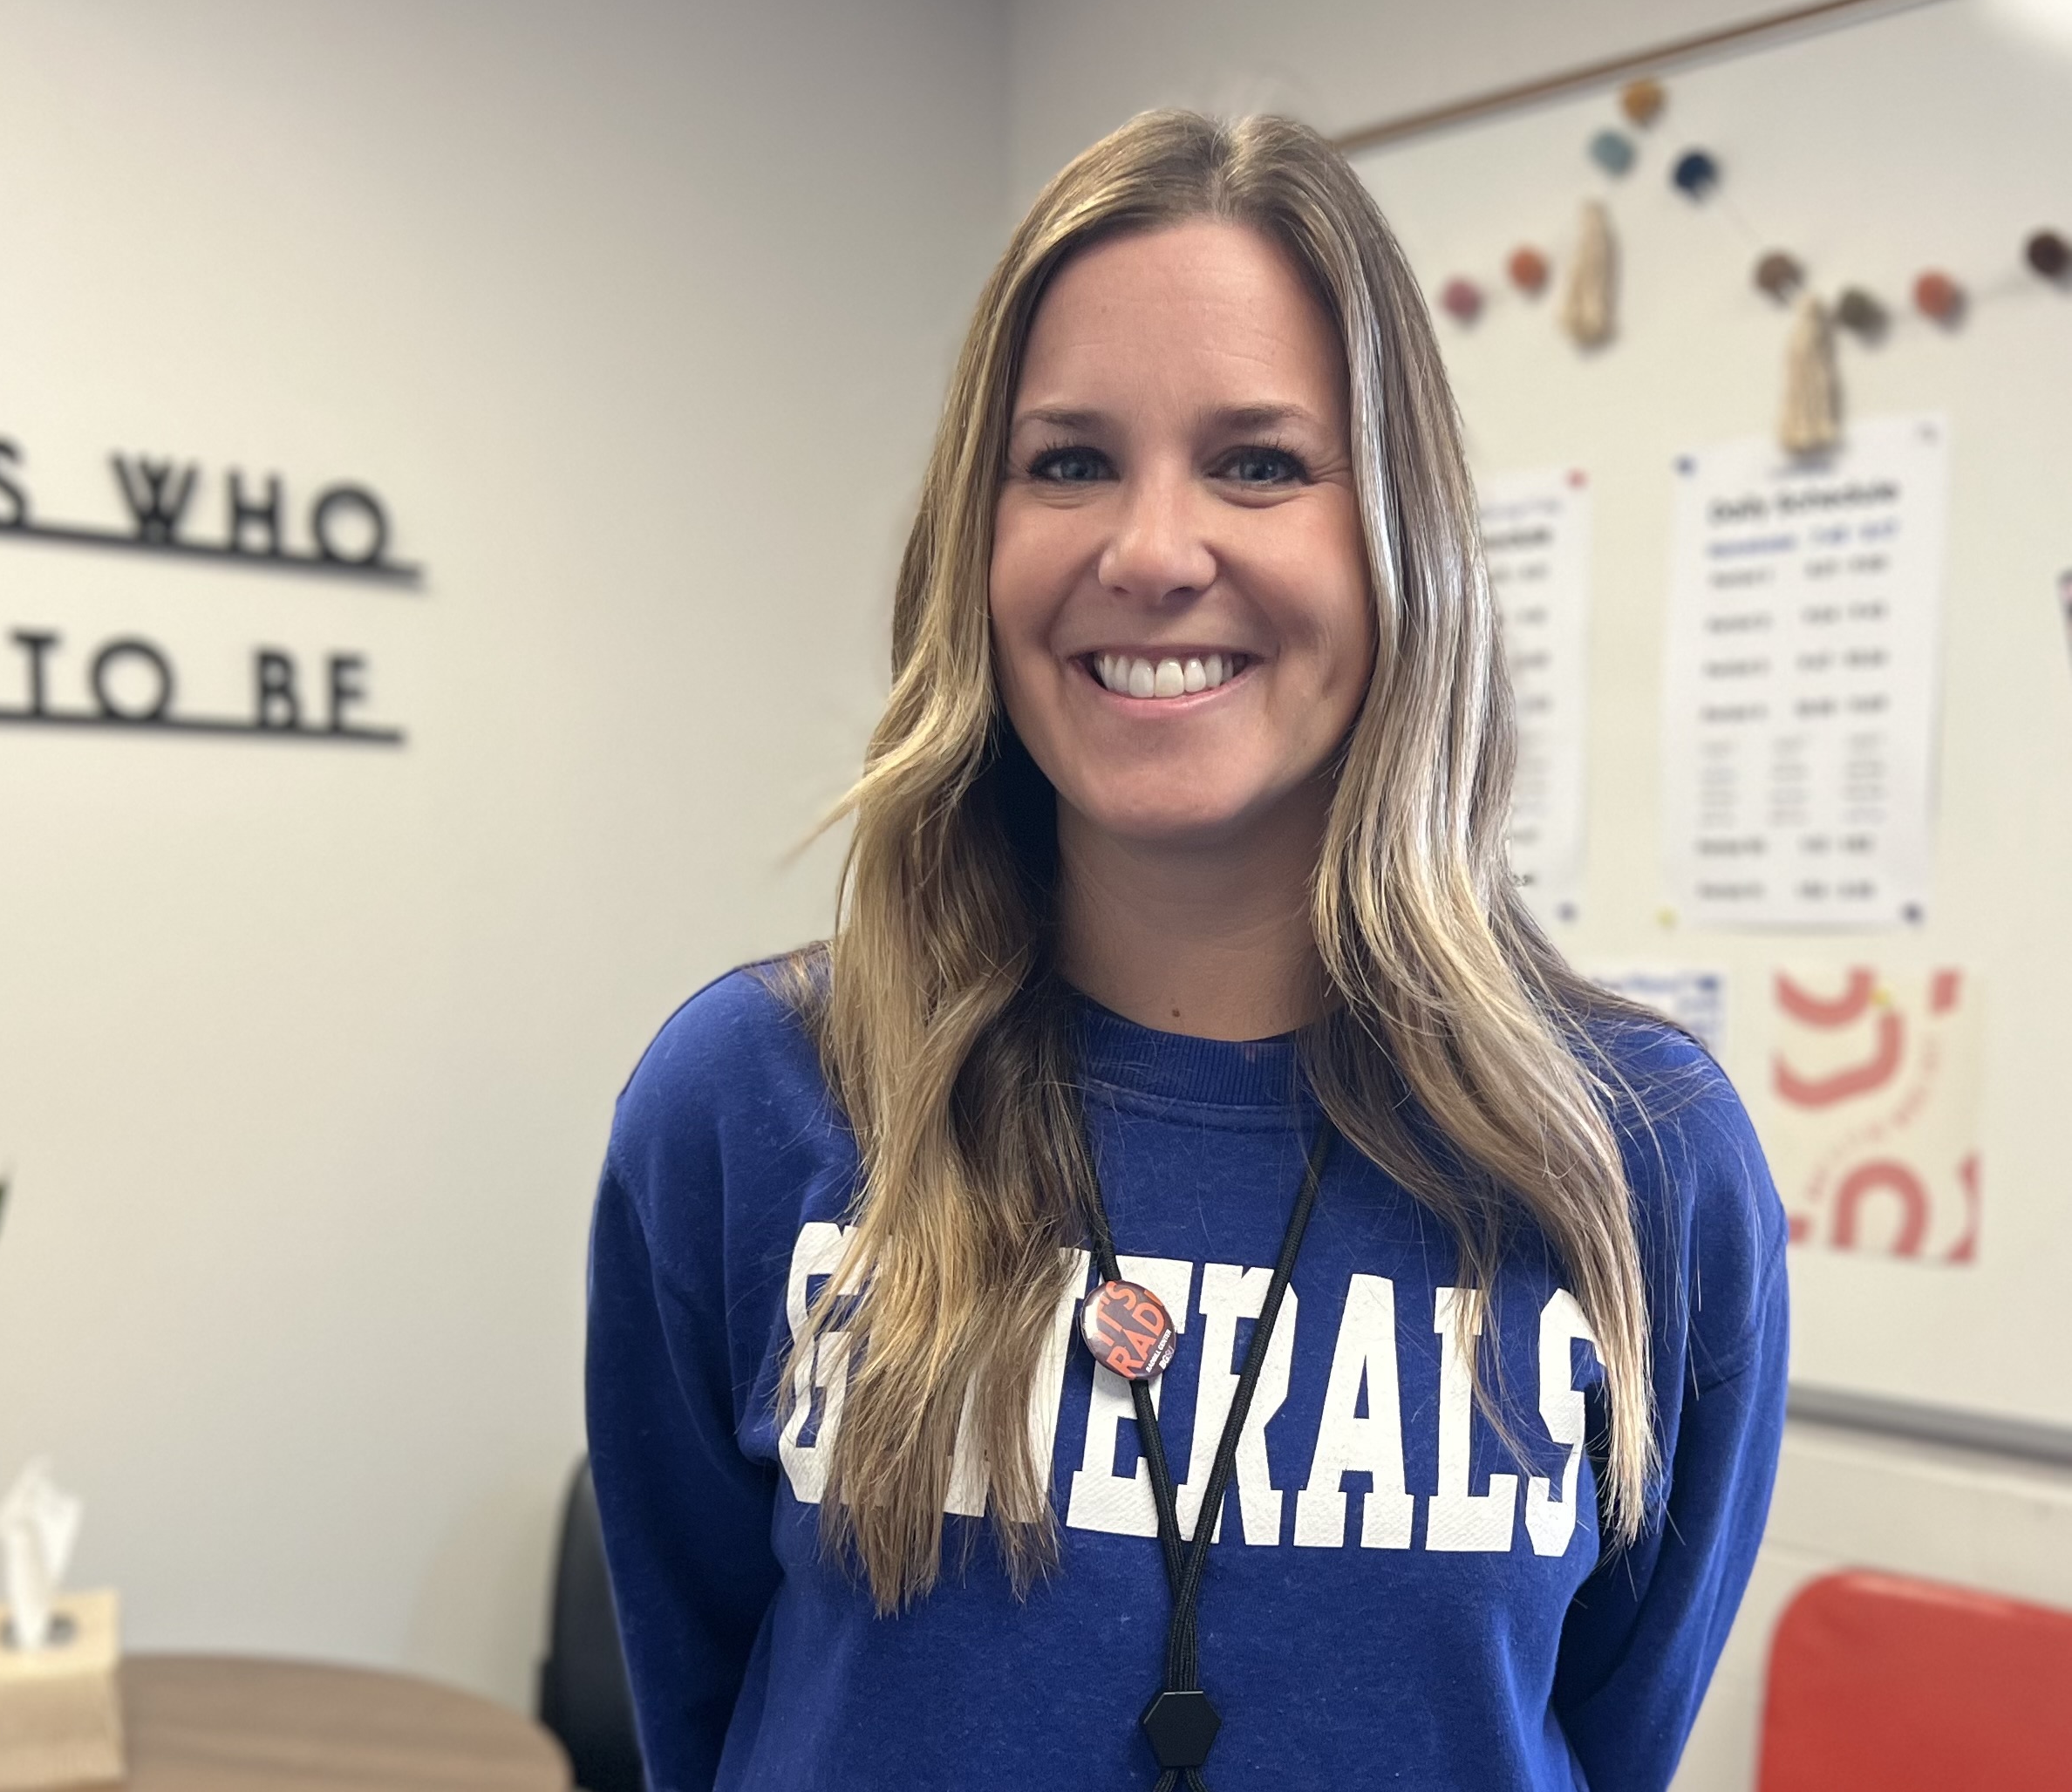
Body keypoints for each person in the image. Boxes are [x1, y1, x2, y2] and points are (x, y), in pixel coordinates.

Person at [583, 111, 1786, 1792]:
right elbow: (700, 1709)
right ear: (971, 547)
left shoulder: (1635, 1157)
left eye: (1260, 462)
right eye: (1065, 462)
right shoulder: (755, 1098)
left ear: (1400, 548)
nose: (1149, 552)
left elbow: (1597, 1736)